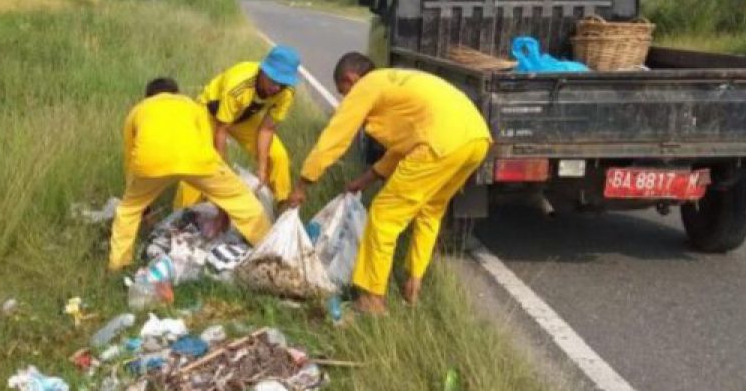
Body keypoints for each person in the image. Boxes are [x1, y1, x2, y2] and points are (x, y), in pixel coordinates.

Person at [287, 52, 492, 314]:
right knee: (430, 210)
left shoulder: (367, 86)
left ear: (352, 79)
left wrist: (303, 184)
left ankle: (372, 298)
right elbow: (403, 147)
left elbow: (334, 138)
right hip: (475, 139)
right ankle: (414, 280)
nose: (346, 99)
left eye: (344, 92)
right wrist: (364, 180)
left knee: (384, 215)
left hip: (439, 141)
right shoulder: (393, 84)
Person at [108, 77, 271, 270]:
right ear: (176, 93)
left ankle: (117, 265)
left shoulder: (138, 110)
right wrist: (222, 206)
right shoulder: (190, 105)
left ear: (148, 96)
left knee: (127, 212)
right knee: (242, 200)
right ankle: (270, 251)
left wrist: (140, 201)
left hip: (151, 162)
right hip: (198, 160)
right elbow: (207, 144)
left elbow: (130, 159)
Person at [175, 45, 301, 208]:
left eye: (282, 84)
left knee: (278, 157)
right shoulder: (239, 85)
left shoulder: (286, 92)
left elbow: (267, 129)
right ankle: (180, 216)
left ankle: (281, 210)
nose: (276, 88)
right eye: (273, 81)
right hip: (210, 114)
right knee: (201, 163)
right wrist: (224, 173)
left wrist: (262, 169)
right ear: (263, 70)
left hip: (243, 117)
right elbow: (221, 129)